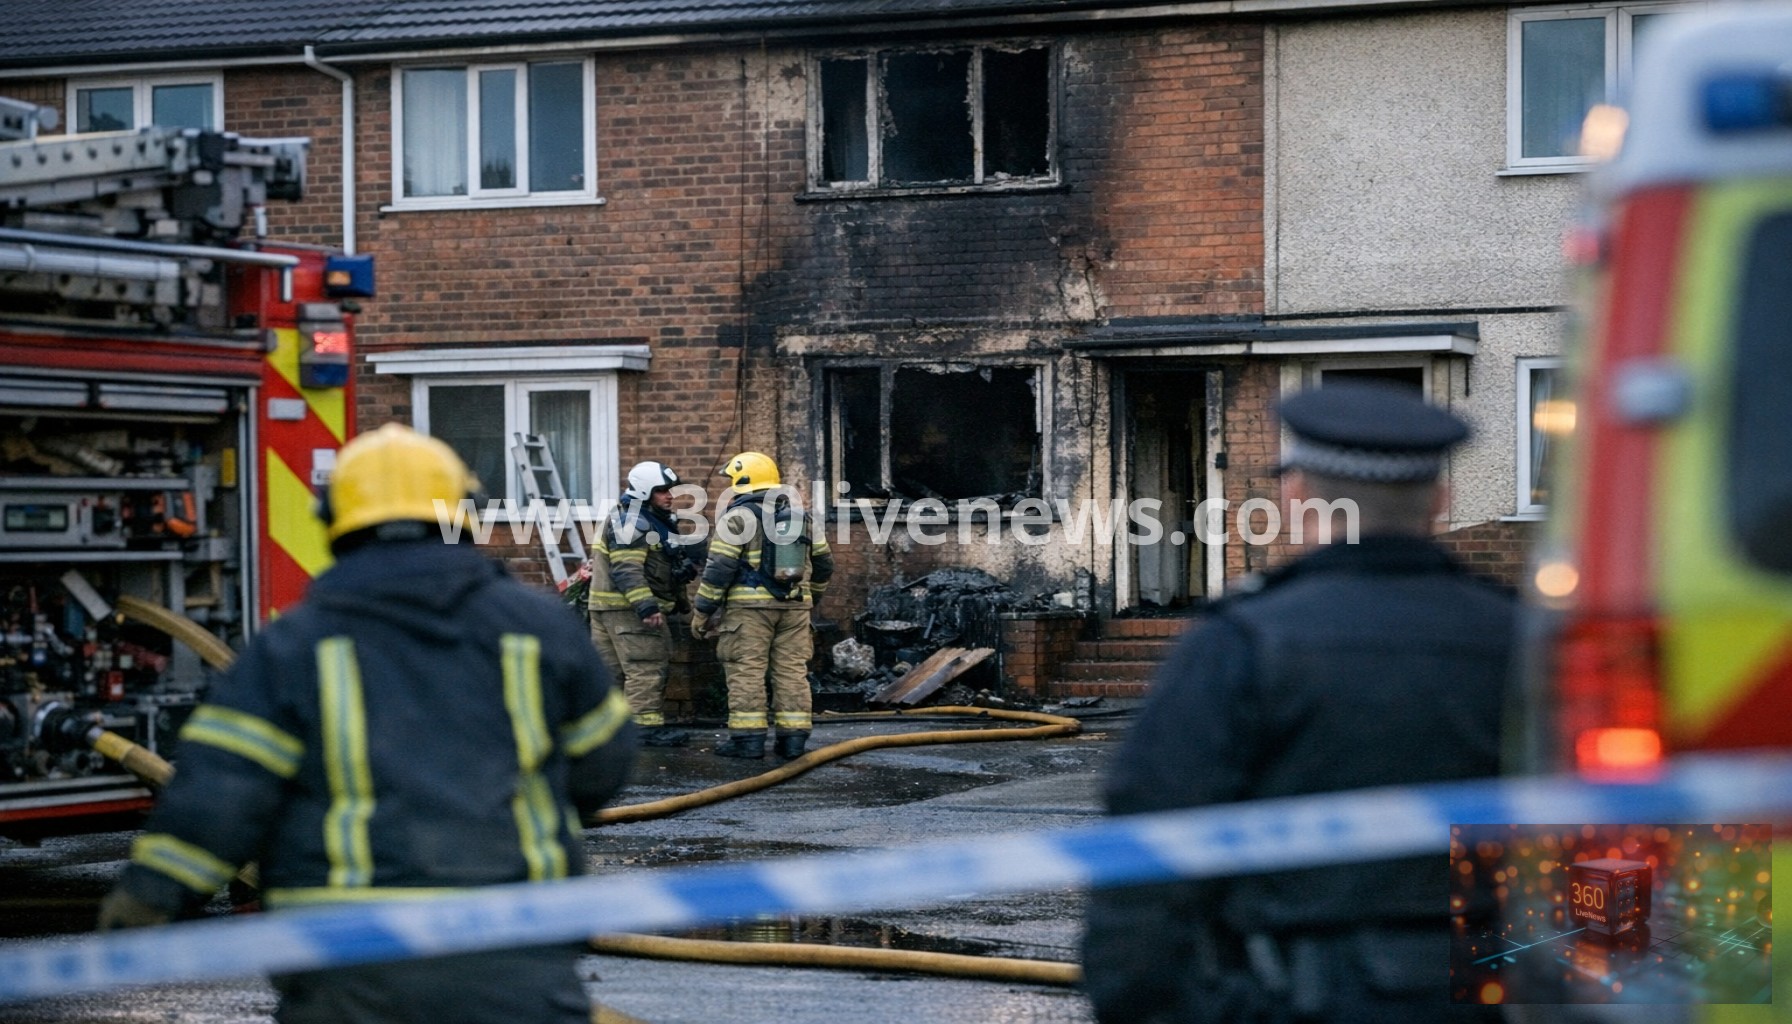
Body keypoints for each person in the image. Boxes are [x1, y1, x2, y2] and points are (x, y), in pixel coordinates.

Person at [96, 423, 636, 1024]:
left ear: (333, 526)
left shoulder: (293, 647)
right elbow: (604, 762)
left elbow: (219, 797)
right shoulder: (538, 628)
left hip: (346, 964)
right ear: (460, 516)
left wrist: (147, 902)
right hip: (511, 947)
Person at [1081, 382, 1513, 1024]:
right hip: (1496, 991)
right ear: (1440, 503)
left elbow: (1150, 848)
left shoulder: (1245, 641)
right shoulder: (1531, 640)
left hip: (1297, 997)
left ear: (1297, 495)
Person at [691, 451, 833, 760]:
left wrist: (702, 611)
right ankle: (792, 742)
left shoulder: (737, 518)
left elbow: (719, 569)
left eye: (732, 480)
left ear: (744, 480)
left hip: (749, 612)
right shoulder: (801, 518)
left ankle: (748, 741)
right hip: (795, 608)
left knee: (747, 671)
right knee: (792, 672)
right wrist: (812, 597)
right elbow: (824, 564)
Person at [587, 460, 700, 747]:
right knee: (645, 668)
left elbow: (657, 563)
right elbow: (627, 569)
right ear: (644, 492)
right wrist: (647, 607)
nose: (669, 496)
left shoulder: (638, 518)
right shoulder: (633, 522)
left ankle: (606, 733)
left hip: (609, 610)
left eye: (669, 490)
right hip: (629, 613)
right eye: (662, 491)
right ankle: (644, 730)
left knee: (608, 674)